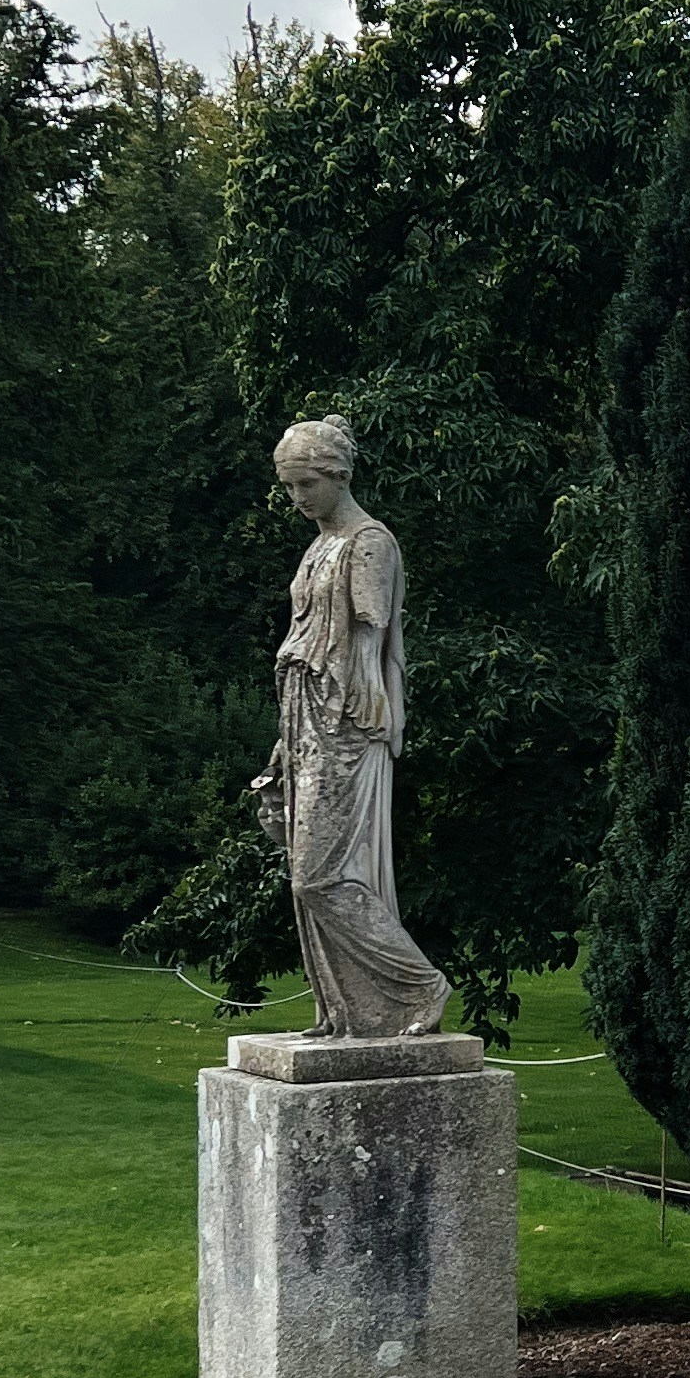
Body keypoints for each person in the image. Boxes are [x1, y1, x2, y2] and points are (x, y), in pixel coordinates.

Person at [249, 415, 450, 1041]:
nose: (296, 499)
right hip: (304, 717)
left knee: (322, 876)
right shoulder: (318, 545)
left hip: (345, 721)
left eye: (305, 484)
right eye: (289, 487)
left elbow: (367, 646)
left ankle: (419, 985)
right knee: (301, 873)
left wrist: (356, 725)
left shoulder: (370, 544)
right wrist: (285, 746)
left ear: (337, 475)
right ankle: (347, 1013)